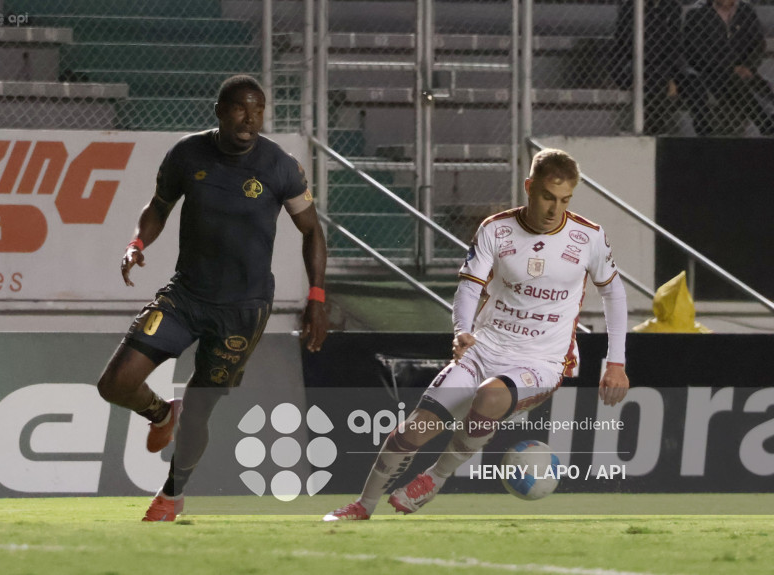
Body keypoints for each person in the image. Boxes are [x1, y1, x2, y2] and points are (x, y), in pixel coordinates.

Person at [324, 149, 630, 521]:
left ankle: (434, 479)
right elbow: (469, 287)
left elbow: (614, 293)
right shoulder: (496, 229)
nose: (555, 209)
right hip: (482, 350)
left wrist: (616, 362)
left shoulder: (588, 237)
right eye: (548, 197)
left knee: (490, 396)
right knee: (411, 434)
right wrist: (462, 331)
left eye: (565, 200)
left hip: (541, 362)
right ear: (530, 187)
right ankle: (363, 505)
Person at [96, 74, 328, 522]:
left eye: (258, 109)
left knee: (200, 411)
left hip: (243, 310)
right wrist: (136, 244)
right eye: (241, 108)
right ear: (220, 111)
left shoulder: (281, 166)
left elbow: (312, 230)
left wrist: (316, 295)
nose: (250, 118)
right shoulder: (187, 153)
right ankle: (162, 413)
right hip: (186, 296)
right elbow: (158, 205)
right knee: (115, 383)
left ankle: (172, 495)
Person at [683, 0, 774, 135]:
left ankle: (767, 119)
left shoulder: (746, 11)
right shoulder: (697, 14)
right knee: (735, 82)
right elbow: (697, 51)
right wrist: (730, 67)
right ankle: (765, 122)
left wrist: (748, 66)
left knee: (761, 85)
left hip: (743, 69)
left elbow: (758, 44)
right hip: (709, 71)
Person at [612, 0, 685, 134]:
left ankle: (651, 128)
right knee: (652, 74)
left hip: (660, 64)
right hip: (633, 61)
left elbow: (674, 45)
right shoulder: (629, 7)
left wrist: (673, 76)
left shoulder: (671, 8)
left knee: (658, 74)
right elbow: (623, 42)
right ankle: (652, 128)